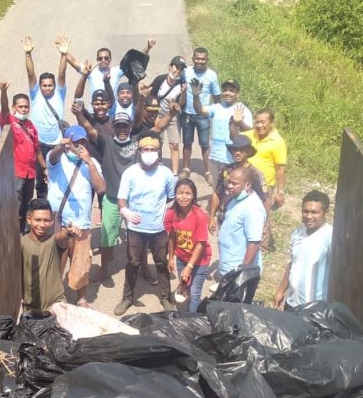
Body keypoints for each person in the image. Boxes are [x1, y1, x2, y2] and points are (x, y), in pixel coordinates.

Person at [75, 105, 177, 286]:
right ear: (113, 127)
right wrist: (78, 114)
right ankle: (103, 270)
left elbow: (158, 128)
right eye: (118, 126)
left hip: (136, 203)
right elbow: (90, 129)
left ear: (130, 127)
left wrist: (171, 114)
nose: (122, 130)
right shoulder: (106, 142)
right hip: (113, 199)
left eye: (125, 126)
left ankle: (145, 270)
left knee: (142, 240)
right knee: (107, 239)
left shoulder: (138, 141)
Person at [114, 134, 177, 315]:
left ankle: (166, 297)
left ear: (159, 151)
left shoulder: (166, 173)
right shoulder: (130, 172)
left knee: (161, 262)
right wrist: (125, 211)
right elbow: (121, 199)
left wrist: (165, 212)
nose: (149, 152)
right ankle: (127, 297)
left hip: (158, 228)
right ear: (139, 151)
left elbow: (171, 198)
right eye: (145, 149)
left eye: (153, 149)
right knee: (133, 262)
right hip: (136, 228)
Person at [46, 125, 105, 307]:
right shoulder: (56, 159)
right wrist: (60, 147)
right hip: (57, 219)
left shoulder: (91, 162)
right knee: (55, 259)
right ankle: (55, 295)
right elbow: (53, 156)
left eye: (81, 142)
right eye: (74, 142)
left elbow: (101, 188)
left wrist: (89, 162)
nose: (77, 146)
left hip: (81, 221)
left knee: (81, 260)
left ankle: (81, 297)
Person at [23, 34, 71, 198]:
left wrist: (63, 54)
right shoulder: (35, 94)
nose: (47, 88)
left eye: (50, 85)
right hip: (39, 144)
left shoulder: (60, 93)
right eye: (44, 85)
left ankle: (58, 208)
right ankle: (42, 208)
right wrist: (28, 54)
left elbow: (62, 74)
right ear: (40, 86)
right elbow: (31, 74)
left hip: (56, 143)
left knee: (58, 177)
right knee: (41, 180)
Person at [232, 107, 287, 248]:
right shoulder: (251, 134)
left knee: (263, 217)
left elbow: (280, 168)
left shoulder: (277, 141)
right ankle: (244, 244)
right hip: (246, 184)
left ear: (271, 122)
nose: (259, 125)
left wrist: (280, 191)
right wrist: (236, 123)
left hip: (264, 186)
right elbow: (235, 138)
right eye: (257, 122)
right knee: (244, 214)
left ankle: (261, 249)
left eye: (263, 122)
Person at [0, 82, 47, 231]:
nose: (24, 109)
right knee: (15, 205)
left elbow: (37, 150)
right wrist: (3, 92)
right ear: (14, 108)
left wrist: (45, 169)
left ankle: (24, 232)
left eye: (26, 106)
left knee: (27, 203)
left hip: (30, 173)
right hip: (16, 173)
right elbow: (4, 109)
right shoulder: (9, 121)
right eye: (20, 106)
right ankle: (12, 233)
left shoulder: (31, 126)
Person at [274, 190, 333, 310]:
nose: (309, 216)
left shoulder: (330, 236)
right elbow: (292, 264)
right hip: (292, 303)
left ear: (325, 212)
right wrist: (281, 291)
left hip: (314, 307)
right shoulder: (298, 233)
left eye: (314, 212)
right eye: (305, 211)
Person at [217, 166, 267, 302]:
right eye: (229, 182)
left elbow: (255, 242)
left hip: (239, 275)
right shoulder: (236, 199)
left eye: (234, 183)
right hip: (228, 268)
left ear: (248, 185)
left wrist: (242, 274)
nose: (229, 186)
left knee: (233, 314)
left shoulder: (253, 208)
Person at [190, 78, 251, 188]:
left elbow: (250, 133)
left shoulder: (242, 109)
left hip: (232, 159)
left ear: (237, 93)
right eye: (225, 90)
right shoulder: (217, 107)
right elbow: (200, 110)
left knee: (231, 189)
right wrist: (196, 96)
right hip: (214, 157)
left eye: (231, 90)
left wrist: (239, 122)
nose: (227, 93)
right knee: (216, 188)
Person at [22, 198, 74, 314]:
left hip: (56, 307)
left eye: (46, 220)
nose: (42, 225)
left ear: (51, 222)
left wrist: (68, 232)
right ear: (29, 220)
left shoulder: (53, 241)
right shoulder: (21, 244)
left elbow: (61, 237)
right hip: (30, 310)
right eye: (38, 220)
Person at [165, 178, 210, 312]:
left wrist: (190, 266)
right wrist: (171, 257)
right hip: (181, 258)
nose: (183, 197)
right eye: (180, 193)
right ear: (175, 194)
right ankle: (185, 314)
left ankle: (192, 321)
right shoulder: (171, 213)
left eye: (188, 193)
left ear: (194, 196)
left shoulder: (199, 216)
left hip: (200, 260)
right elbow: (172, 236)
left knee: (195, 293)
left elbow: (201, 243)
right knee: (185, 287)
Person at [179, 47, 220, 184]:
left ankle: (208, 171)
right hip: (187, 114)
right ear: (193, 59)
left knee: (204, 144)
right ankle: (186, 169)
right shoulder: (186, 72)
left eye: (203, 59)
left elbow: (216, 96)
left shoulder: (212, 75)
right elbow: (178, 85)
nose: (200, 61)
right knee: (187, 143)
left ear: (207, 60)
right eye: (197, 58)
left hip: (203, 115)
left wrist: (218, 113)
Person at [209, 136, 266, 233]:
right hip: (224, 219)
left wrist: (263, 222)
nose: (237, 152)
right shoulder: (225, 170)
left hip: (244, 222)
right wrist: (211, 217)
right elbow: (217, 193)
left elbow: (264, 199)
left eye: (242, 150)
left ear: (248, 152)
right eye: (235, 149)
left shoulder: (255, 173)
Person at [147, 56, 188, 175]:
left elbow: (181, 104)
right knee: (157, 142)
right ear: (170, 67)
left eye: (181, 68)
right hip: (158, 115)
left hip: (172, 116)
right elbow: (151, 96)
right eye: (176, 67)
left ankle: (175, 174)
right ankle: (156, 167)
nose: (178, 70)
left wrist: (182, 95)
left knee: (174, 144)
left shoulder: (182, 84)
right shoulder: (160, 80)